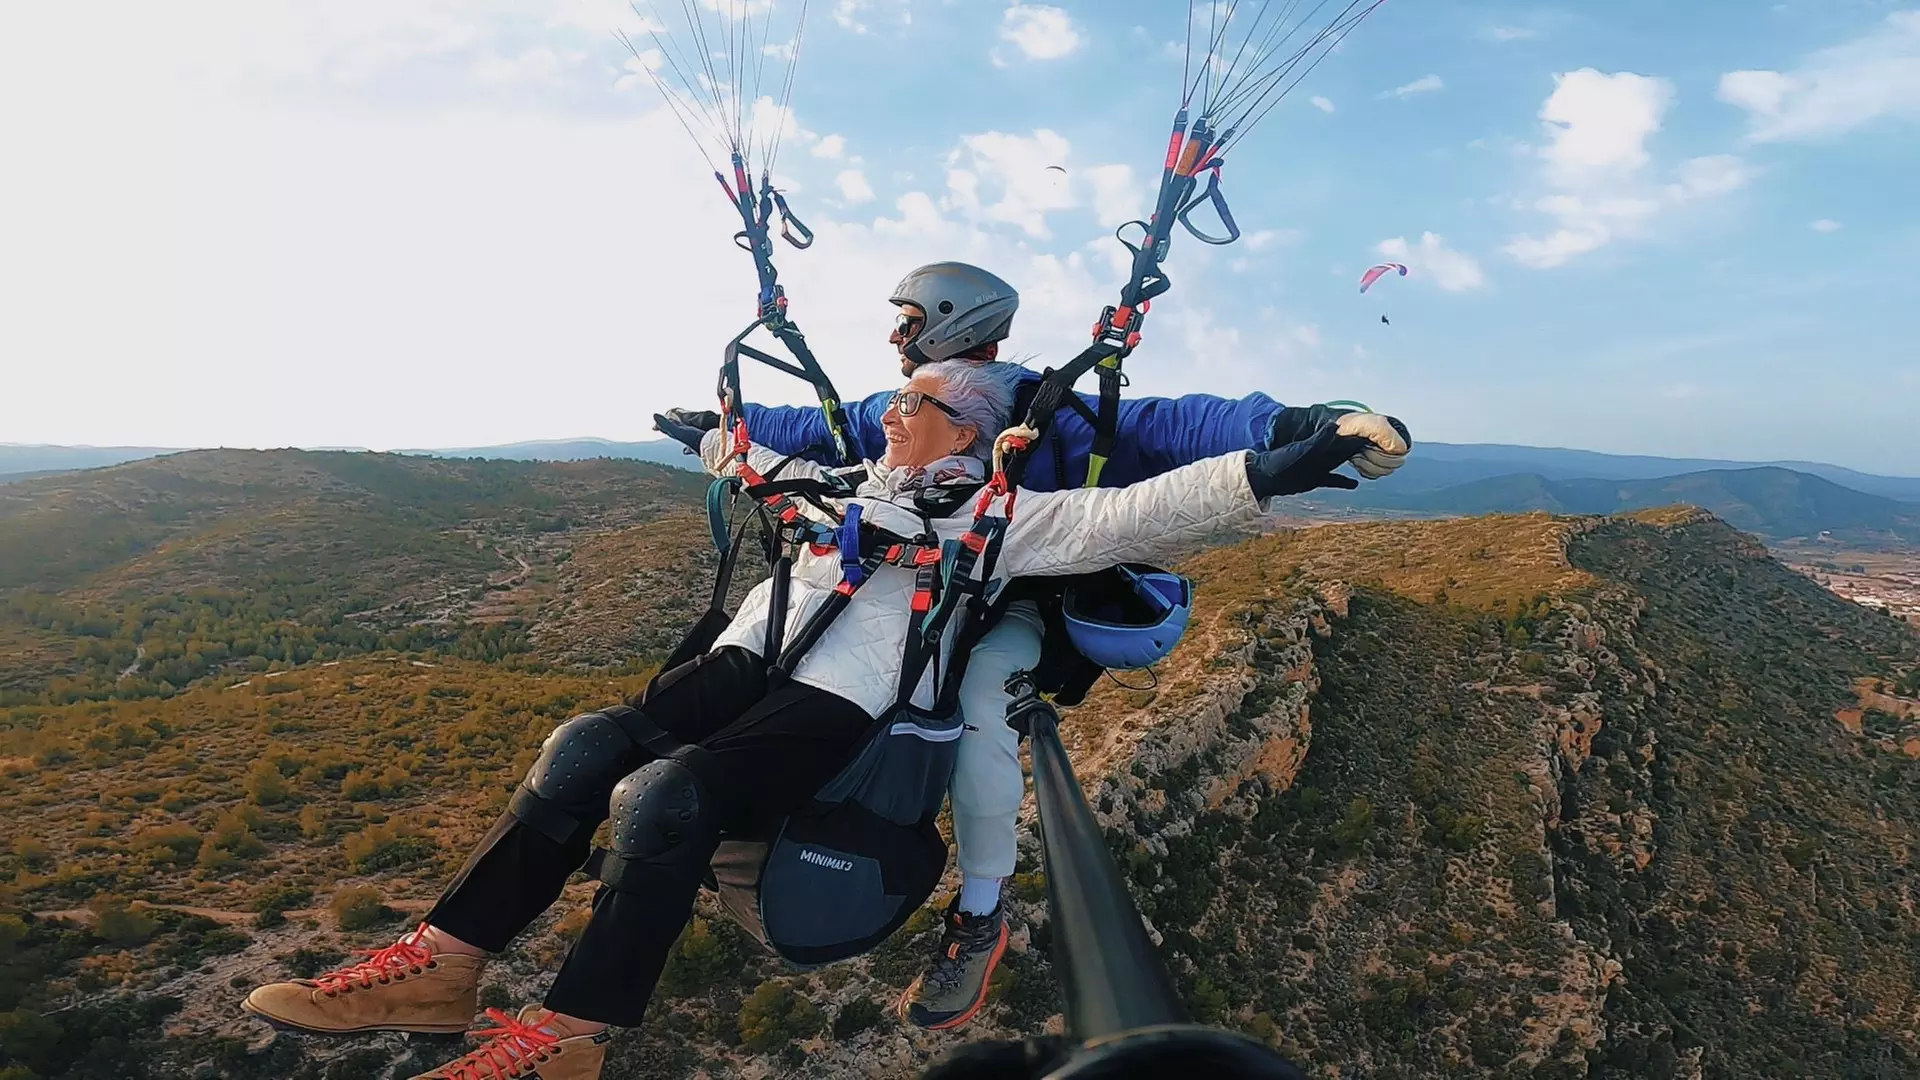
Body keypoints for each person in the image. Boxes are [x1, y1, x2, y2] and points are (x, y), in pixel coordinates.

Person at [240, 359, 1390, 1080]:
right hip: (751, 661)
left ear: (974, 428)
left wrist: (1270, 470)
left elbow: (1142, 511)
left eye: (917, 404)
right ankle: (439, 969)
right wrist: (707, 433)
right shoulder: (850, 487)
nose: (893, 413)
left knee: (660, 797)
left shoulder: (1010, 520)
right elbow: (761, 457)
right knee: (589, 745)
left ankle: (571, 1037)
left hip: (838, 703)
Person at [653, 261, 1412, 1030]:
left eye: (908, 322)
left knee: (981, 707)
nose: (895, 336)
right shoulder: (906, 406)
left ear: (953, 323)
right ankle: (703, 812)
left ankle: (978, 915)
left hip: (1011, 595)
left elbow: (1181, 424)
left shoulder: (1049, 412)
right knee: (788, 657)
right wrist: (719, 432)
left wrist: (1308, 426)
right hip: (911, 589)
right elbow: (822, 427)